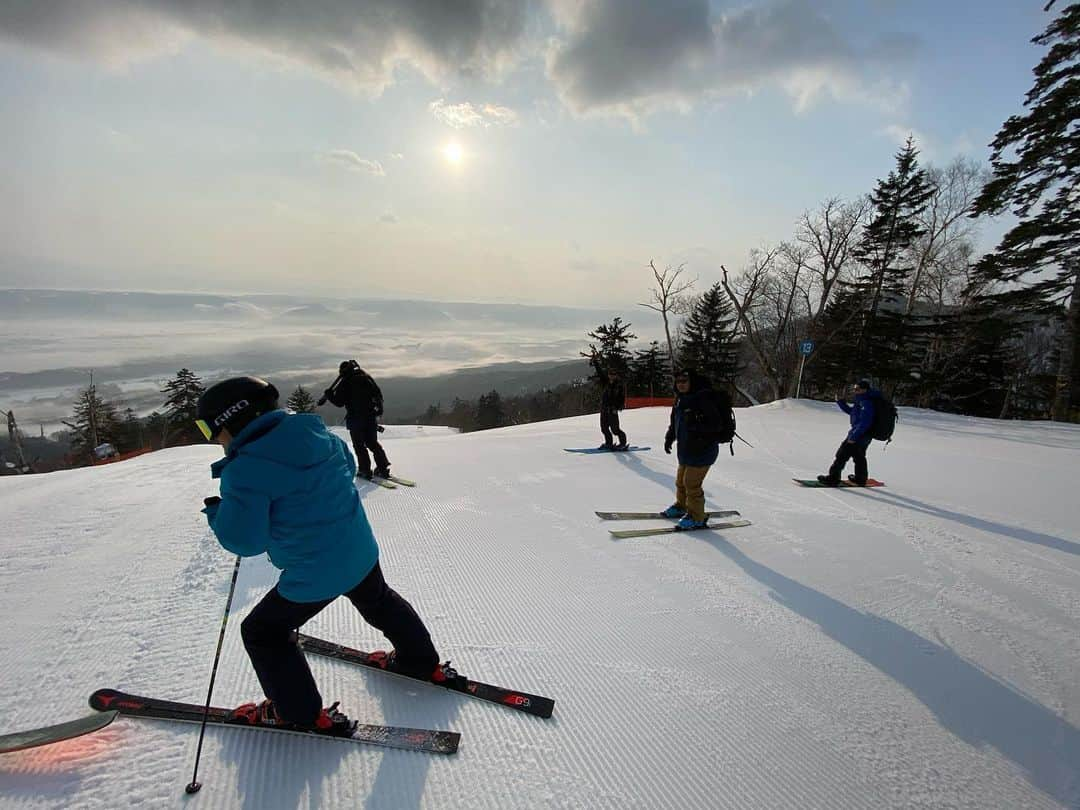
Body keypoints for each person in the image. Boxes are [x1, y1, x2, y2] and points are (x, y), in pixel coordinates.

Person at [195, 376, 445, 735]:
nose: (211, 438)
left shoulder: (244, 471)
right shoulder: (320, 436)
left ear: (232, 421)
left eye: (208, 429)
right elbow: (344, 470)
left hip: (315, 572)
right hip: (359, 550)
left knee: (263, 632)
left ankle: (297, 711)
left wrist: (219, 514)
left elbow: (245, 541)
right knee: (379, 600)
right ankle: (421, 662)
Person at [661, 368, 729, 530]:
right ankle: (682, 506)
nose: (681, 385)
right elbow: (674, 423)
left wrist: (696, 425)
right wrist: (669, 438)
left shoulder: (702, 399)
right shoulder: (680, 399)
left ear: (692, 382)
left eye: (685, 381)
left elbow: (716, 425)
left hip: (702, 451)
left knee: (691, 484)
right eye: (678, 382)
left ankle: (697, 516)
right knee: (680, 482)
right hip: (685, 449)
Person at [318, 360, 391, 480]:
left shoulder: (346, 382)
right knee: (373, 443)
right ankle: (383, 467)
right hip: (371, 417)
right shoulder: (367, 378)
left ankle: (365, 470)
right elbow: (378, 395)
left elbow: (339, 402)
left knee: (359, 445)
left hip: (356, 418)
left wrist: (329, 395)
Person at [817, 378, 879, 487]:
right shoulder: (862, 400)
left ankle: (833, 478)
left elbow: (865, 422)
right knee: (859, 456)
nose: (855, 391)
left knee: (842, 455)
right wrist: (840, 402)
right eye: (854, 388)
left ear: (865, 390)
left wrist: (854, 437)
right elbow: (853, 413)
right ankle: (860, 479)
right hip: (865, 434)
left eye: (858, 389)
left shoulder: (866, 402)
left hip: (859, 434)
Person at [598, 367, 628, 450]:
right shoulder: (606, 382)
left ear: (616, 375)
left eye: (613, 374)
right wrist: (596, 362)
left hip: (612, 410)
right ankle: (609, 443)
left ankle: (623, 444)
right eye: (610, 374)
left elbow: (622, 397)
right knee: (604, 428)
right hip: (604, 409)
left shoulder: (619, 385)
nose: (611, 376)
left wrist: (619, 406)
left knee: (615, 430)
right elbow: (600, 373)